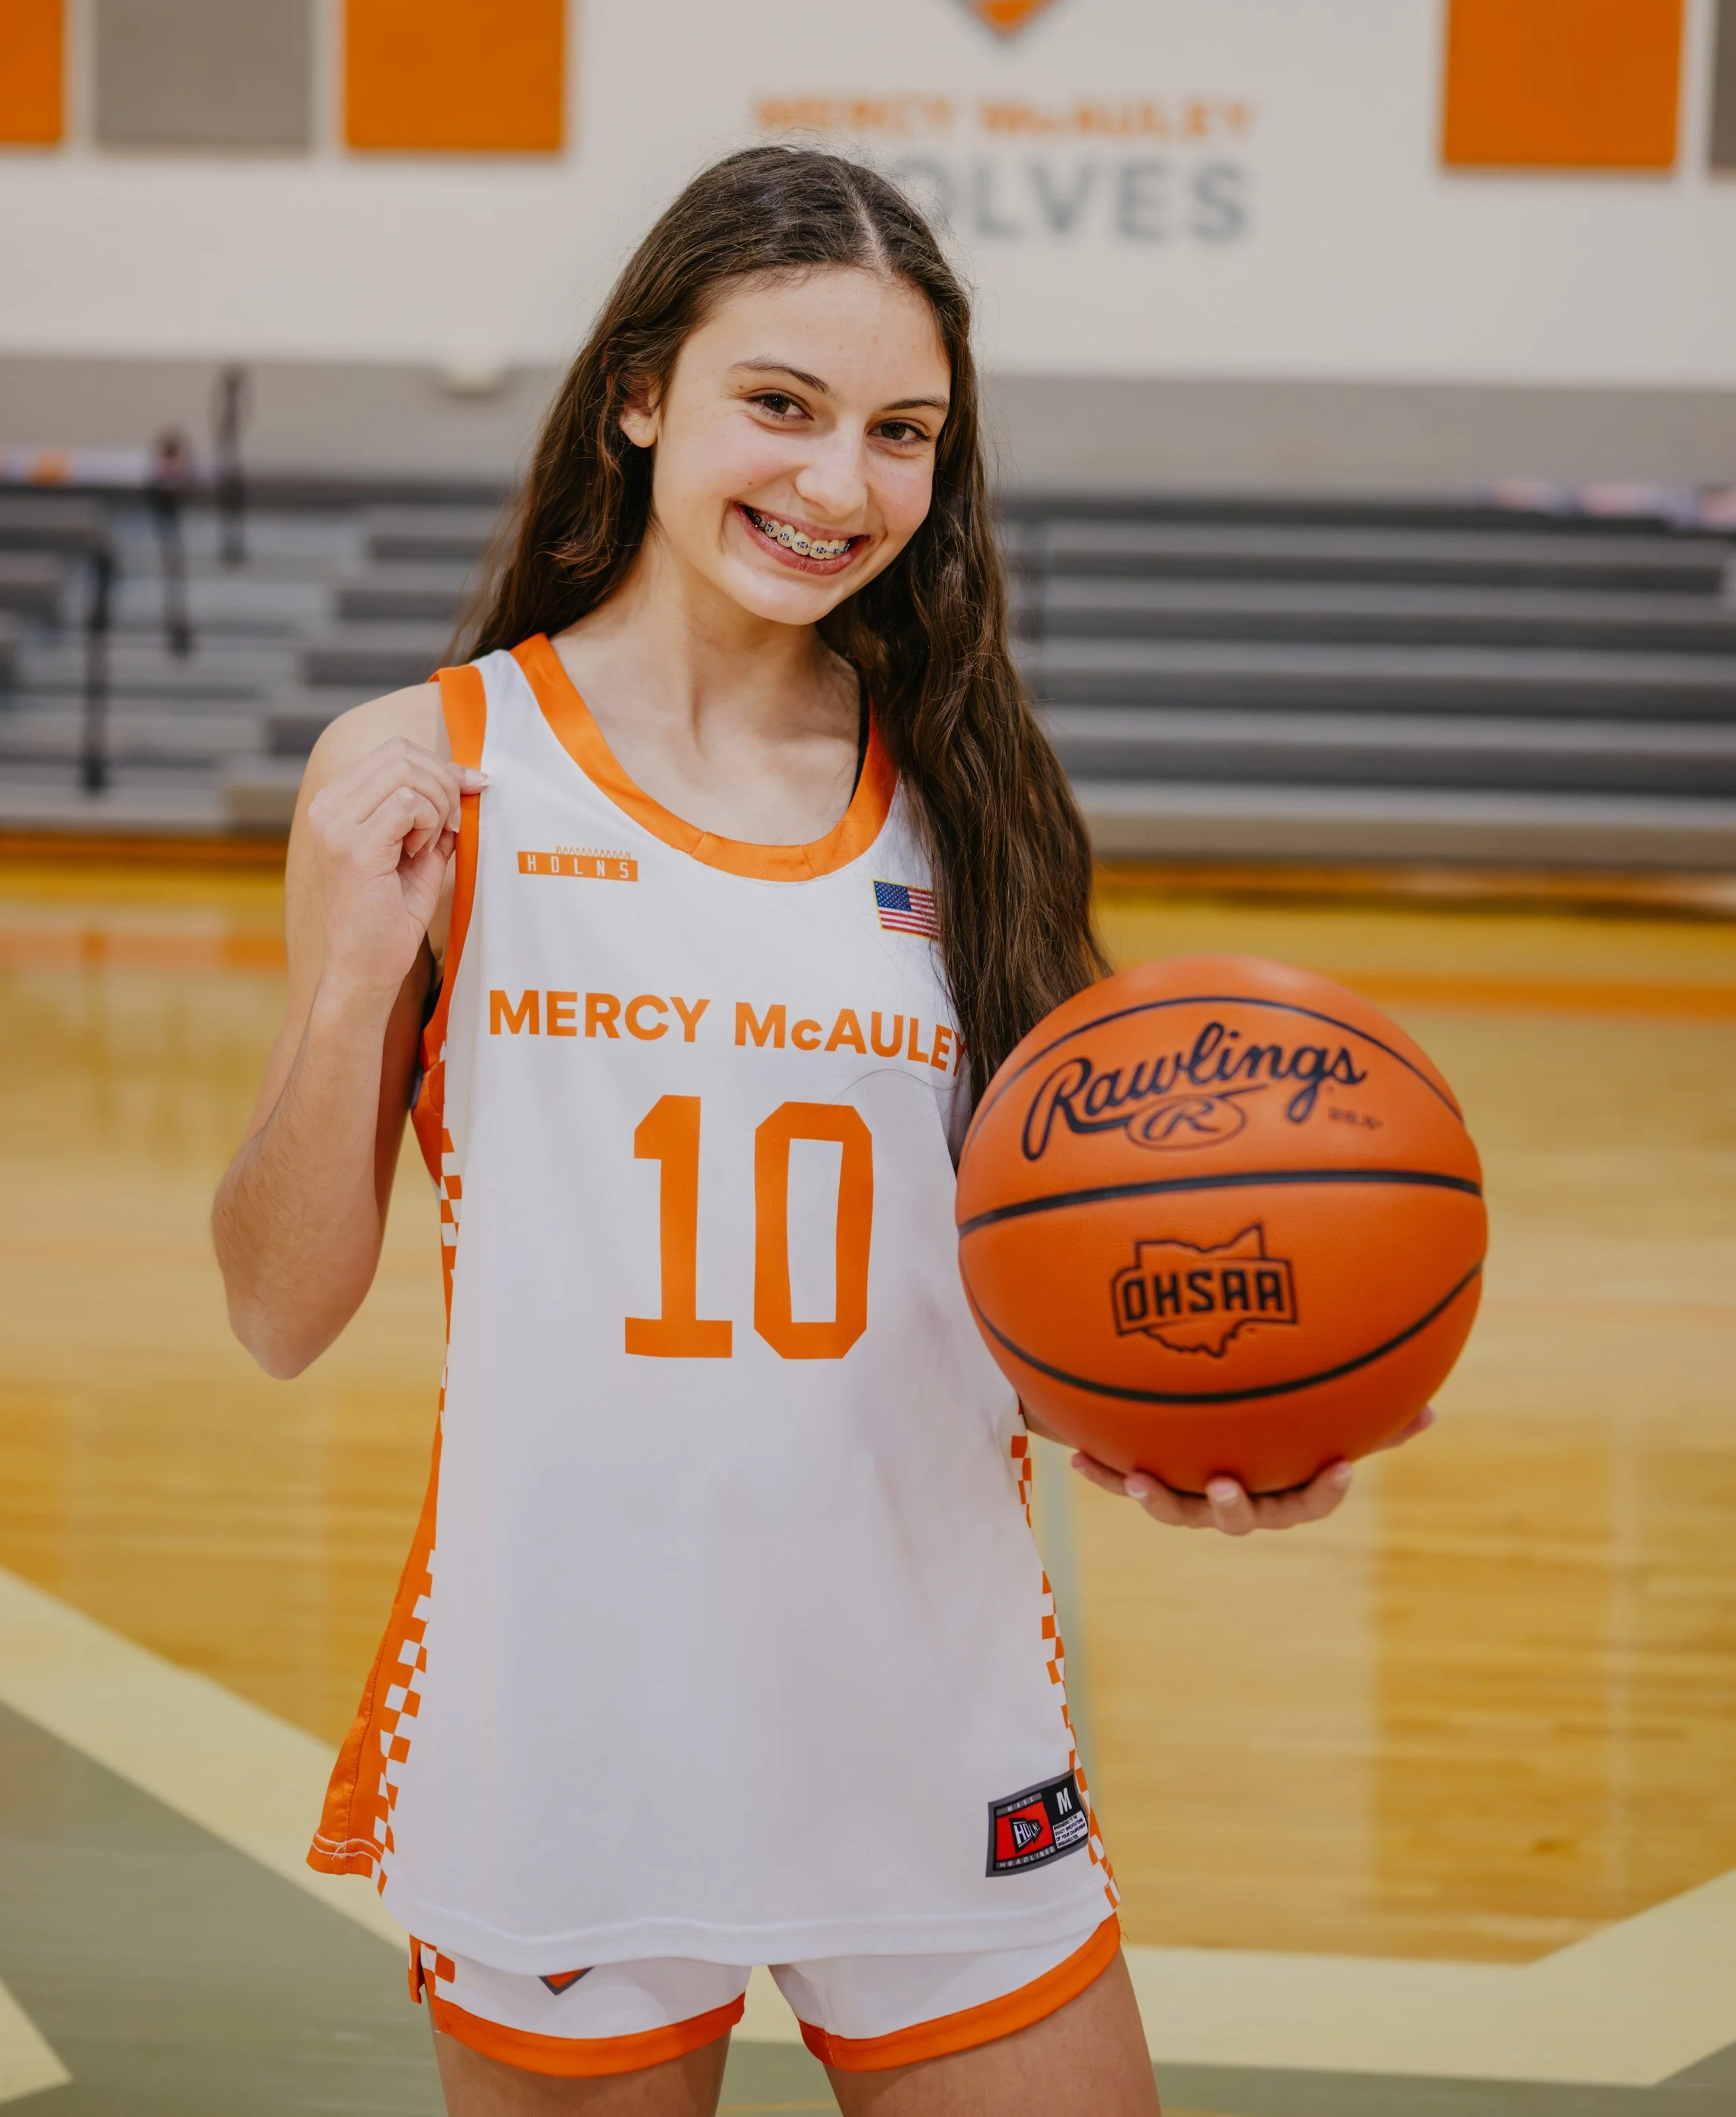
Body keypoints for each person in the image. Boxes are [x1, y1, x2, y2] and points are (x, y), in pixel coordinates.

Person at [214, 148, 1423, 2116]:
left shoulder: (967, 791)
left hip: (930, 1703)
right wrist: (356, 985)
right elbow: (279, 1313)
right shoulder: (433, 767)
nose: (838, 482)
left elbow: (1064, 1253)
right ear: (639, 394)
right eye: (778, 403)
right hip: (568, 1711)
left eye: (900, 432)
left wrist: (1201, 1426)